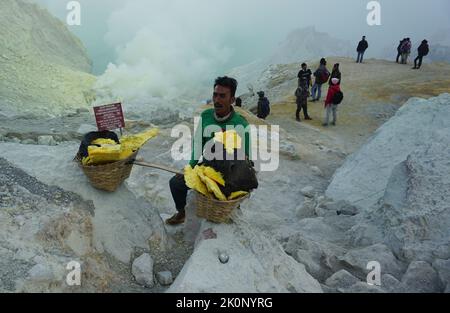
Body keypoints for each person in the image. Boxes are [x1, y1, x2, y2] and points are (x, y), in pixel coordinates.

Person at [165, 76, 251, 225]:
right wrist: (190, 167)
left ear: (232, 100)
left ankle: (229, 211)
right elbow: (198, 143)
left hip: (229, 171)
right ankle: (181, 213)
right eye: (215, 95)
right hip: (207, 166)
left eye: (222, 96)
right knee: (176, 183)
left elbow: (245, 157)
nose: (217, 100)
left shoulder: (241, 124)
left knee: (225, 196)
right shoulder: (206, 116)